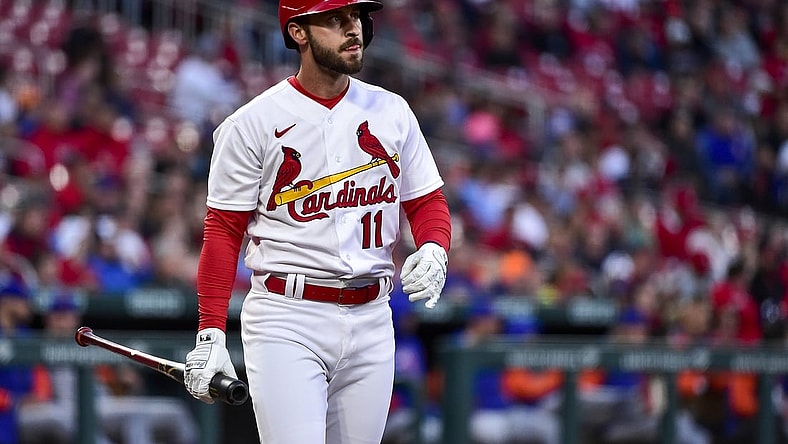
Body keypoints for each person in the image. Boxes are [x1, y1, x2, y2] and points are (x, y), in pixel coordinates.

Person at [182, 1, 452, 444]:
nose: (353, 28)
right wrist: (210, 331)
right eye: (335, 19)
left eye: (357, 17)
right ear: (299, 32)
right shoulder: (253, 123)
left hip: (372, 316)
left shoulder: (392, 111)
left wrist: (434, 247)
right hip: (288, 316)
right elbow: (223, 232)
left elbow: (426, 202)